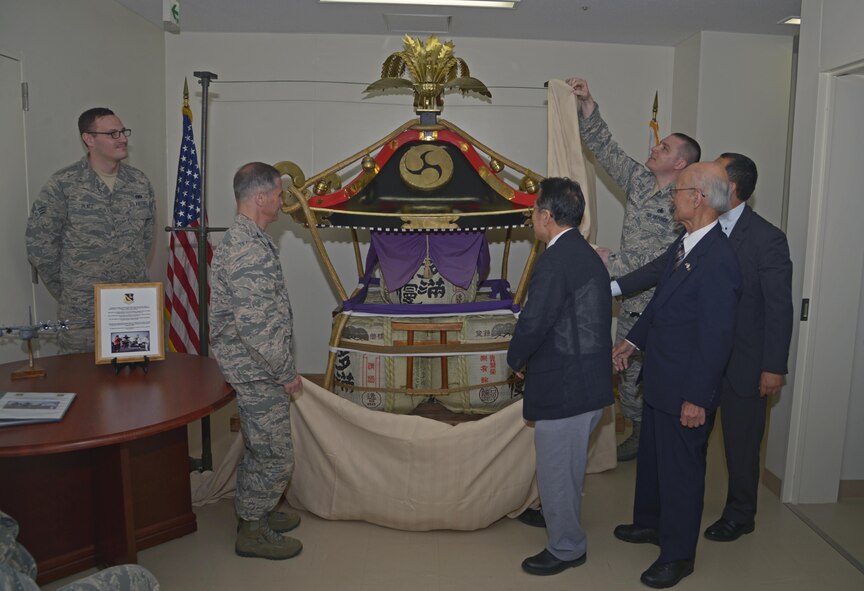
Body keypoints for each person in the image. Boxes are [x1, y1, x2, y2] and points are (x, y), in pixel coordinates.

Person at [613, 153, 793, 542]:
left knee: (740, 445)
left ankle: (740, 513)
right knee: (685, 448)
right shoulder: (692, 234)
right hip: (696, 361)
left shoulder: (766, 238)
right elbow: (661, 279)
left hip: (743, 361)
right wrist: (612, 288)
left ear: (727, 187)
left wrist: (773, 365)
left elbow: (779, 306)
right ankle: (662, 519)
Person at [611, 161, 740, 588]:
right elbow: (659, 302)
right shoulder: (686, 244)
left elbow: (716, 337)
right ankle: (649, 523)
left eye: (678, 190)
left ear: (697, 199)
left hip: (686, 387)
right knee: (653, 460)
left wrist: (697, 398)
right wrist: (633, 341)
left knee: (681, 471)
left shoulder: (718, 259)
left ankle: (678, 555)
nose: (672, 197)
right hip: (660, 379)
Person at [567, 78, 701, 461]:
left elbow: (662, 259)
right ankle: (640, 435)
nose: (654, 149)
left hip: (664, 307)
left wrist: (610, 262)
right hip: (630, 300)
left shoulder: (688, 202)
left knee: (658, 378)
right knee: (626, 376)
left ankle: (659, 440)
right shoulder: (642, 182)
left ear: (681, 163)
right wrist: (588, 104)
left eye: (663, 147)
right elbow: (606, 150)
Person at [507, 177, 613, 576]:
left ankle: (567, 546)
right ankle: (555, 517)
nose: (532, 216)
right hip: (586, 381)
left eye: (534, 210)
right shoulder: (584, 253)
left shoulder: (554, 259)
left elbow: (536, 321)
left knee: (557, 469)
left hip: (566, 383)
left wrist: (515, 356)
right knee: (565, 467)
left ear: (547, 216)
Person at [209, 162, 304, 560]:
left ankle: (257, 510)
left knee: (258, 445)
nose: (282, 202)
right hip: (257, 368)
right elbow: (256, 328)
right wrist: (285, 373)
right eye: (279, 195)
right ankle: (251, 529)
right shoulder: (247, 248)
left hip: (251, 364)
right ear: (261, 197)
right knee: (276, 453)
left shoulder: (248, 239)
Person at [25, 107, 156, 353]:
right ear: (89, 139)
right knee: (80, 382)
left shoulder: (139, 182)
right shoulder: (63, 185)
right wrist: (70, 287)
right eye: (113, 133)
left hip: (131, 307)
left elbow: (146, 238)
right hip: (82, 314)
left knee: (134, 381)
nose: (123, 138)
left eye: (123, 132)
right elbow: (39, 245)